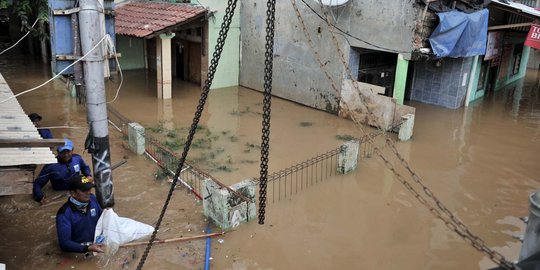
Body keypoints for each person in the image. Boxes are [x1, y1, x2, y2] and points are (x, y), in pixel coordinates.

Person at [33, 138, 92, 205]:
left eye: (68, 151)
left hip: (76, 190)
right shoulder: (51, 166)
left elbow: (85, 168)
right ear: (58, 152)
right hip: (59, 193)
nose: (66, 155)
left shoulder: (77, 158)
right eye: (63, 152)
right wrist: (40, 197)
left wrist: (88, 175)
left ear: (72, 150)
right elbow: (37, 183)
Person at [56, 174, 104, 253]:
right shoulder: (64, 214)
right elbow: (64, 243)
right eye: (84, 190)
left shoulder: (92, 199)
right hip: (80, 252)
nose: (88, 192)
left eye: (89, 189)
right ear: (73, 193)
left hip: (97, 245)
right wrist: (87, 248)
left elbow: (103, 218)